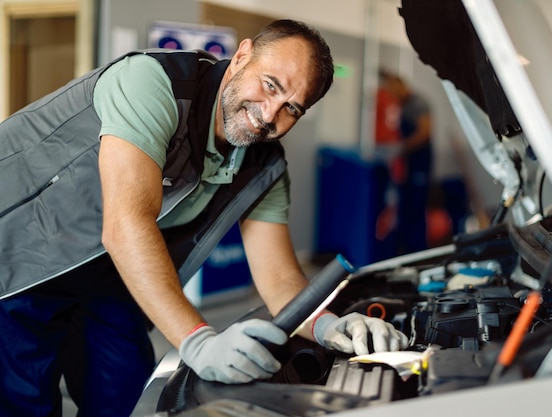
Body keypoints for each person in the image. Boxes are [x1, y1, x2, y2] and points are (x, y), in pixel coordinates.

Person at [0, 19, 408, 417]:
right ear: (242, 56)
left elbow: (281, 280)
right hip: (19, 259)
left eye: (291, 109)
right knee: (25, 401)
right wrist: (198, 341)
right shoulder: (153, 82)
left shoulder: (263, 166)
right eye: (270, 85)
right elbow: (126, 224)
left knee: (127, 393)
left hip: (106, 277)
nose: (268, 115)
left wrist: (328, 326)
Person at [389, 74, 433, 253]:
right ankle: (405, 250)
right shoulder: (404, 106)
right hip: (409, 167)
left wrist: (402, 148)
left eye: (393, 90)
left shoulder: (417, 104)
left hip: (420, 165)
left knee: (416, 209)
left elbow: (425, 132)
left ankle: (418, 251)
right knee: (405, 208)